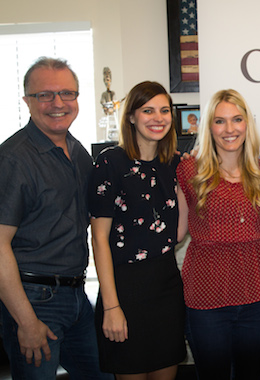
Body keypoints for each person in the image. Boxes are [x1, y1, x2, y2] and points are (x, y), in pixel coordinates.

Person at [0, 57, 112, 379]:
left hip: (76, 296)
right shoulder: (13, 159)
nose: (58, 103)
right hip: (34, 300)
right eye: (45, 95)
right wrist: (25, 320)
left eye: (67, 93)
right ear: (27, 101)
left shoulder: (78, 153)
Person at [176, 89, 260, 380]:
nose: (230, 129)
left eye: (237, 119)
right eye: (220, 121)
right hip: (205, 294)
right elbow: (177, 231)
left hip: (255, 293)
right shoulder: (189, 171)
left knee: (250, 375)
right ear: (209, 127)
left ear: (247, 124)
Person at [88, 81, 186, 379]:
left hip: (166, 288)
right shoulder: (109, 162)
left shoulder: (176, 163)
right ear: (131, 116)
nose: (158, 118)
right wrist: (111, 306)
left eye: (164, 111)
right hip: (124, 291)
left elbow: (177, 235)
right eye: (148, 110)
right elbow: (99, 240)